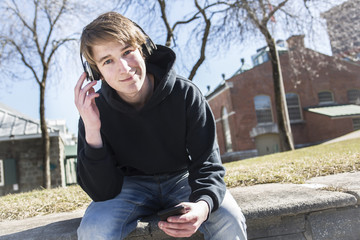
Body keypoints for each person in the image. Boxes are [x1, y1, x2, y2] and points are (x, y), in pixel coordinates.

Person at [74, 11, 247, 240]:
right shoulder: (94, 111)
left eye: (127, 52)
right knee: (94, 229)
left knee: (229, 217)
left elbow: (208, 165)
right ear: (96, 71)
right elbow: (101, 192)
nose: (124, 68)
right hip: (128, 187)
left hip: (182, 179)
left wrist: (203, 207)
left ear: (143, 49)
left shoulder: (186, 94)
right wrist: (93, 130)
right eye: (108, 61)